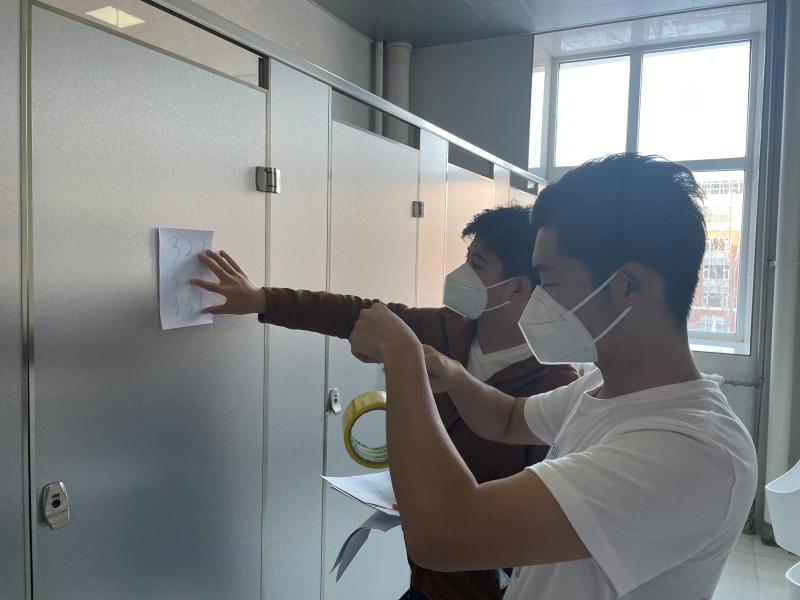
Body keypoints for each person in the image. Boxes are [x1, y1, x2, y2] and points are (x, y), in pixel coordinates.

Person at [347, 154, 758, 600]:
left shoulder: (691, 451)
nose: (535, 300)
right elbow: (507, 418)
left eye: (549, 283)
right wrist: (455, 377)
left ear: (630, 286)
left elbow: (443, 534)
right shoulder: (601, 388)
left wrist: (402, 357)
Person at [191, 205, 578, 600]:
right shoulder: (445, 328)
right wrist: (261, 299)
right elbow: (357, 314)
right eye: (466, 259)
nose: (461, 275)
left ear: (518, 287)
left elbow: (534, 521)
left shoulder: (555, 387)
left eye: (477, 265)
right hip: (426, 578)